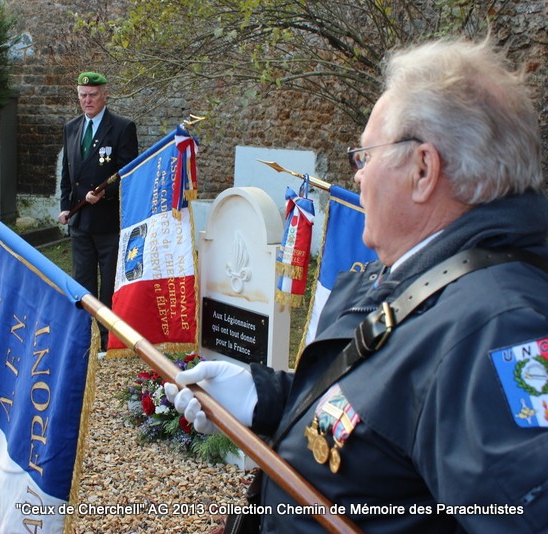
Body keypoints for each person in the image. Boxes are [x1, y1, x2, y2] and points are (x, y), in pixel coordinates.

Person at [166, 37, 548, 532]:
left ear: (423, 170)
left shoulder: (494, 327)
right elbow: (377, 414)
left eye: (365, 156)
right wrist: (264, 395)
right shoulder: (405, 273)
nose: (359, 177)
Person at [58, 71, 138, 348]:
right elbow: (68, 175)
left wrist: (104, 194)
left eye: (93, 94)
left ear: (105, 95)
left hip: (108, 223)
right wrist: (65, 207)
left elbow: (128, 174)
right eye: (83, 95)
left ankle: (107, 338)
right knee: (82, 281)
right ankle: (84, 335)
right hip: (80, 221)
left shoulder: (121, 128)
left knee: (109, 286)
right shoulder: (71, 127)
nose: (87, 100)